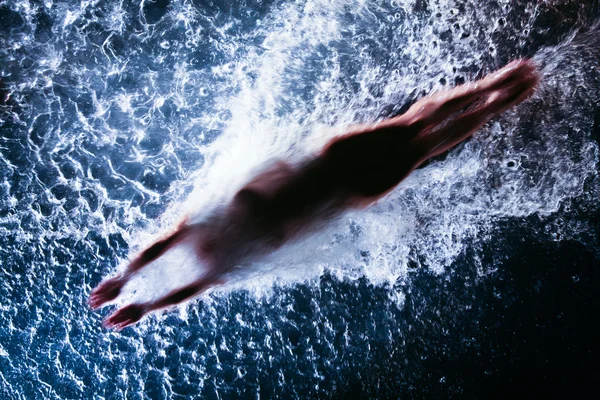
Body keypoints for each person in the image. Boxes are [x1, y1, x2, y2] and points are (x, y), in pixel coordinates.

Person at [89, 59, 540, 330]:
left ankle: (496, 101)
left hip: (348, 189)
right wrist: (128, 285)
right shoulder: (209, 226)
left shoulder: (226, 257)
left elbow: (186, 280)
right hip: (333, 165)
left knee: (421, 146)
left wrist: (140, 299)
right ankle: (489, 88)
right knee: (412, 126)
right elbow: (170, 251)